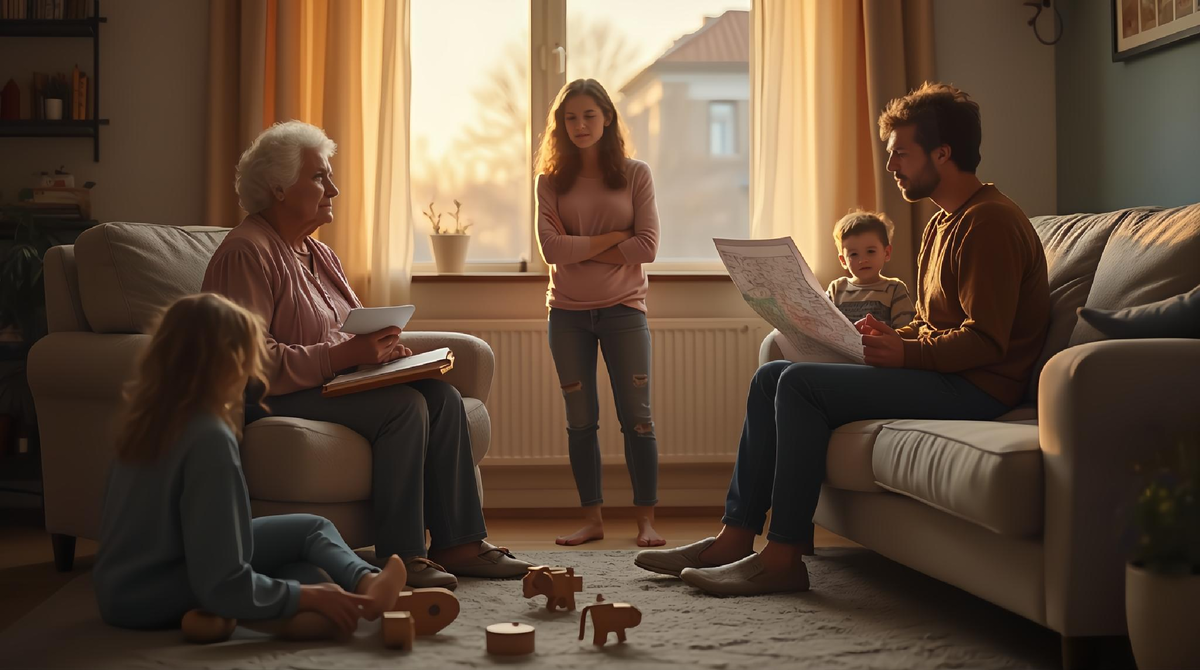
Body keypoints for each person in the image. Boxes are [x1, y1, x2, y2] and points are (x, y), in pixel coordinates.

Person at [634, 82, 1050, 595]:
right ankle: (735, 535)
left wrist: (907, 352)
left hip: (979, 387)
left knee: (801, 387)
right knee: (771, 377)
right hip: (946, 372)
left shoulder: (989, 223)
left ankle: (784, 555)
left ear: (943, 153)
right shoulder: (944, 223)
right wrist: (884, 335)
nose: (892, 165)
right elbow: (931, 321)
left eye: (902, 153)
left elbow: (987, 341)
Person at [202, 121, 530, 590]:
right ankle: (401, 555)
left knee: (440, 397)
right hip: (271, 397)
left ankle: (459, 544)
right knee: (404, 407)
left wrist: (381, 351)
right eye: (318, 177)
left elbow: (350, 331)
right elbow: (252, 363)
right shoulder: (246, 253)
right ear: (278, 188)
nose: (333, 189)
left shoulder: (320, 255)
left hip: (326, 387)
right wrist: (343, 356)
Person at [93, 294, 408, 640]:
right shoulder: (208, 437)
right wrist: (309, 595)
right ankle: (257, 614)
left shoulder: (144, 421)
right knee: (312, 586)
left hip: (119, 593)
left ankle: (366, 582)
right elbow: (222, 581)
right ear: (230, 363)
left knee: (310, 531)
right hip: (159, 592)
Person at [534, 79, 664, 547]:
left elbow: (647, 246)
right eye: (570, 118)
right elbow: (551, 249)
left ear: (606, 118)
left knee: (639, 419)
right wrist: (615, 237)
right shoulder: (548, 182)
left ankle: (646, 521)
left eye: (589, 115)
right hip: (567, 316)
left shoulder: (635, 174)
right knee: (581, 420)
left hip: (624, 311)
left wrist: (581, 248)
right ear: (560, 125)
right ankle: (592, 519)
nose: (580, 125)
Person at [825, 210, 915, 329]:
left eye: (870, 251)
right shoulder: (836, 289)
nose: (863, 260)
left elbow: (905, 331)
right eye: (854, 254)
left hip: (880, 347)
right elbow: (824, 324)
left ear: (886, 253)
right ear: (843, 260)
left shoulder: (895, 289)